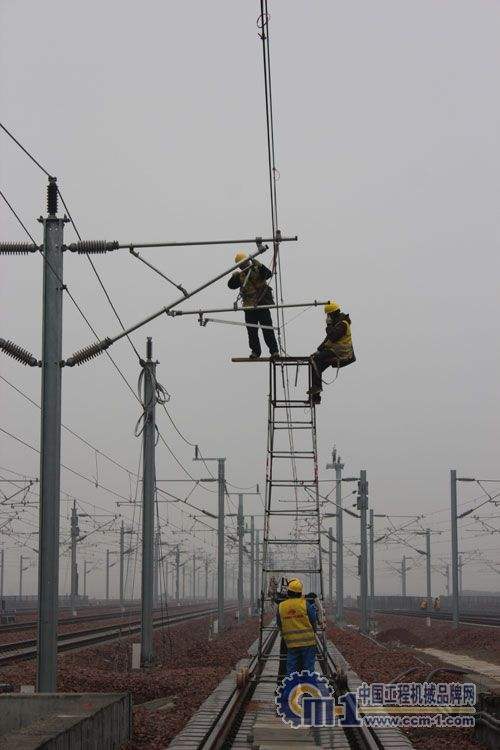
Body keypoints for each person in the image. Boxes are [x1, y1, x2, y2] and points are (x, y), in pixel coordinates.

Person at [227, 252, 279, 359]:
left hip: (261, 304)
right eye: (241, 265)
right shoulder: (241, 276)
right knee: (252, 331)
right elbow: (231, 286)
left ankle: (274, 352)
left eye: (244, 263)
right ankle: (255, 352)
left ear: (248, 261)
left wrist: (260, 266)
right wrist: (234, 277)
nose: (243, 266)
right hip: (249, 307)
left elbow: (269, 274)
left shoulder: (257, 269)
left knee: (267, 329)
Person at [308, 300, 355, 404]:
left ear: (332, 314)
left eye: (328, 315)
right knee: (316, 365)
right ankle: (316, 396)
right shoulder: (337, 324)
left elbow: (333, 337)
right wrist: (318, 350)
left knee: (316, 360)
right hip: (334, 350)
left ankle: (316, 388)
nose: (327, 317)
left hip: (341, 351)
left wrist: (328, 325)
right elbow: (327, 341)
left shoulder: (343, 324)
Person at [277, 578, 317, 675]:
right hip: (308, 643)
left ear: (288, 592)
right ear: (300, 593)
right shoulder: (305, 604)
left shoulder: (281, 606)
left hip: (291, 644)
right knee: (308, 670)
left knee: (291, 672)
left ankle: (290, 689)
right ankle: (308, 689)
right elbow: (313, 619)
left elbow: (280, 624)